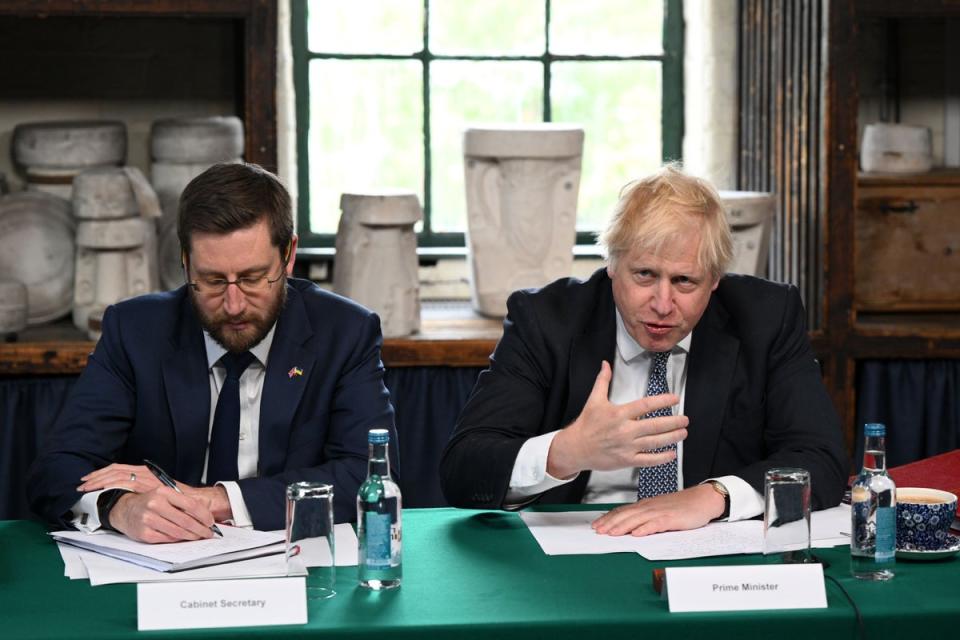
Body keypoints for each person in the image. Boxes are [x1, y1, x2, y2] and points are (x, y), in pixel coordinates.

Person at [439, 164, 846, 536]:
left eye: (685, 281)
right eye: (645, 275)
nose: (663, 304)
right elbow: (464, 469)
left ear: (716, 280)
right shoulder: (547, 321)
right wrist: (567, 451)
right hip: (579, 553)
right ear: (612, 263)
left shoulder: (766, 318)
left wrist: (712, 497)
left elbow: (820, 458)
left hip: (705, 547)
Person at [28, 162, 397, 543]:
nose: (234, 305)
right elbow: (56, 469)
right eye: (212, 281)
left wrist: (216, 500)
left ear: (288, 255)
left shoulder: (344, 333)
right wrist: (118, 508)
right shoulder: (136, 331)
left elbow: (369, 475)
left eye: (253, 279)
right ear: (186, 262)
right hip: (160, 567)